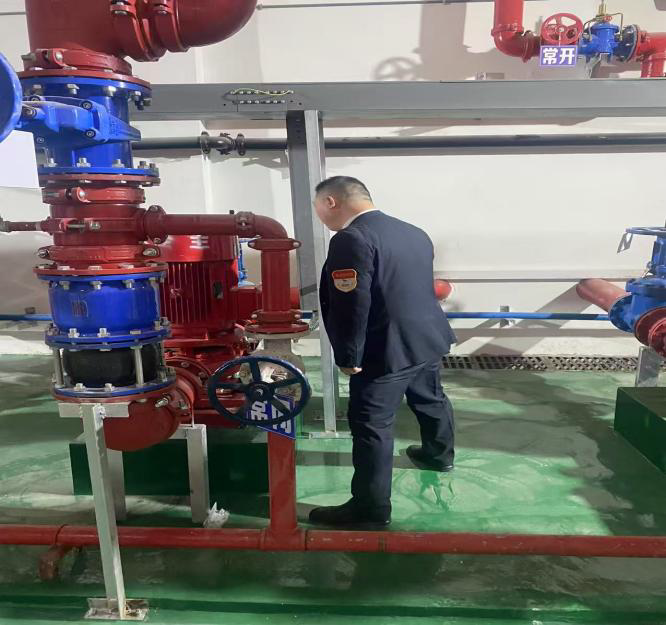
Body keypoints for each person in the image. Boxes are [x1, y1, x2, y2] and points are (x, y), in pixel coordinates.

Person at [309, 176, 456, 528]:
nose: (319, 216)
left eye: (317, 208)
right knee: (431, 399)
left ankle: (370, 510)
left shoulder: (352, 238)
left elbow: (353, 303)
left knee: (371, 424)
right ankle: (439, 456)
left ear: (331, 202)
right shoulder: (414, 232)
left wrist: (350, 356)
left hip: (384, 349)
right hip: (425, 339)